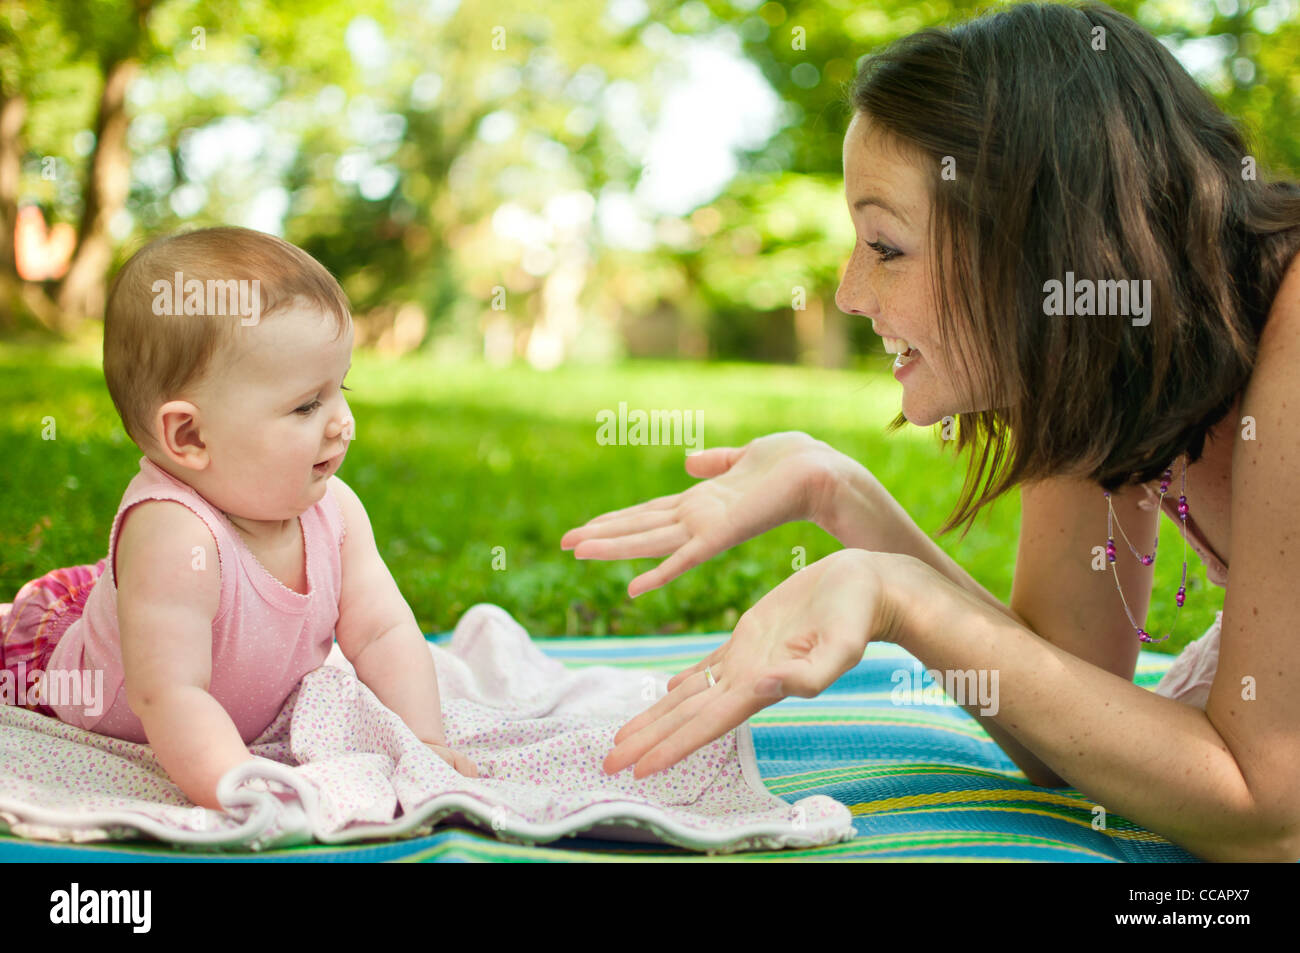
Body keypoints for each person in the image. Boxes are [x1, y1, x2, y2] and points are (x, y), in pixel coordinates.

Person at [561, 1, 1300, 862]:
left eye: (884, 245)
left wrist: (901, 595)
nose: (848, 292)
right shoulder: (1096, 359)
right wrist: (838, 493)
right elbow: (1067, 724)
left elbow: (1267, 814)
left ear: (1039, 246)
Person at [0, 226, 478, 809]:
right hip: (59, 658)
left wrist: (423, 740)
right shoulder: (175, 537)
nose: (343, 422)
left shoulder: (336, 512)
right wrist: (239, 789)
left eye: (340, 388)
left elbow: (383, 630)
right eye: (307, 404)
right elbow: (170, 695)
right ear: (190, 435)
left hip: (155, 604)